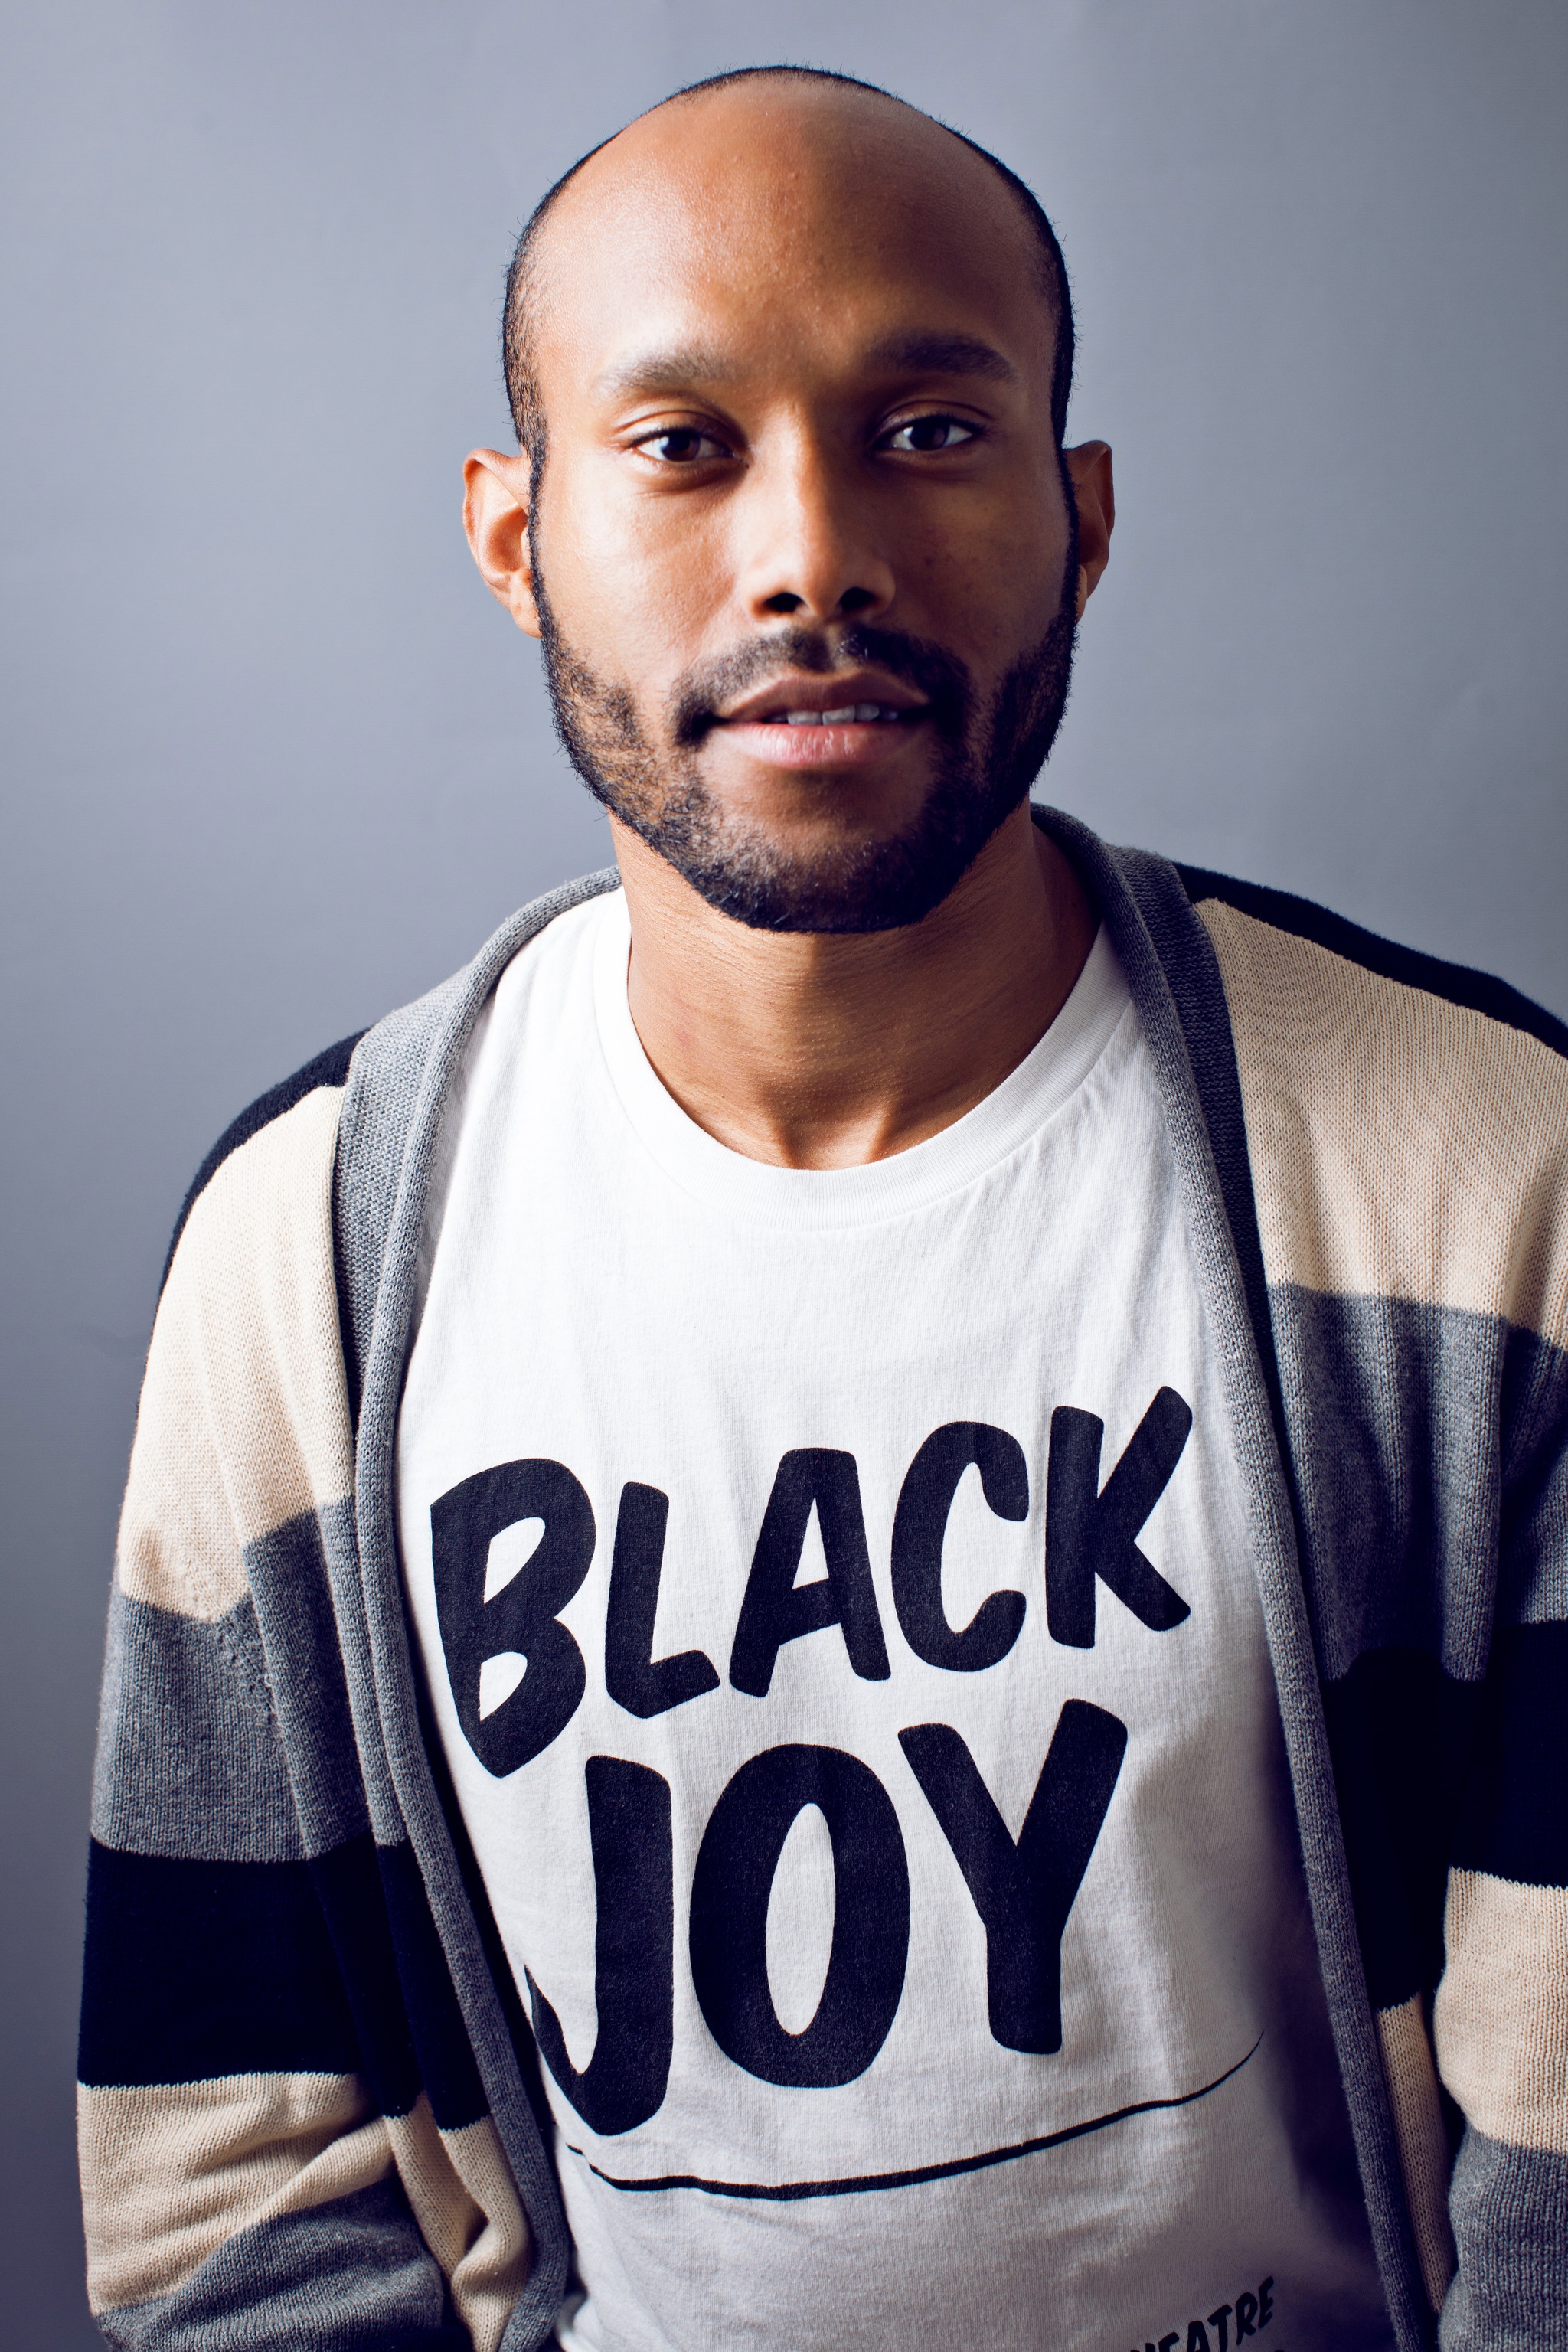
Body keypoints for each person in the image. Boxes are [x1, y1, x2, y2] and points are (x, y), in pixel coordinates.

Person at [77, 64, 1566, 2352]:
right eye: (682, 445)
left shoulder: (1479, 1181)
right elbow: (231, 2176)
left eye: (930, 433)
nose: (812, 557)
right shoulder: (314, 1262)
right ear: (516, 534)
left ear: (1083, 518)